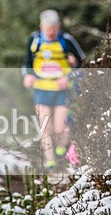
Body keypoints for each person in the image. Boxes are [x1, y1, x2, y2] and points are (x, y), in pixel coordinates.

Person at [21, 9, 85, 171]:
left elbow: (83, 64)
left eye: (54, 29)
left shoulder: (66, 40)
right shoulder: (34, 40)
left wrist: (68, 77)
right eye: (48, 28)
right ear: (41, 27)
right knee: (45, 128)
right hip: (42, 90)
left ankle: (61, 151)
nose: (51, 32)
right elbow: (27, 63)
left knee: (60, 128)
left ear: (59, 27)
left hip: (63, 91)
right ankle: (50, 163)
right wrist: (27, 76)